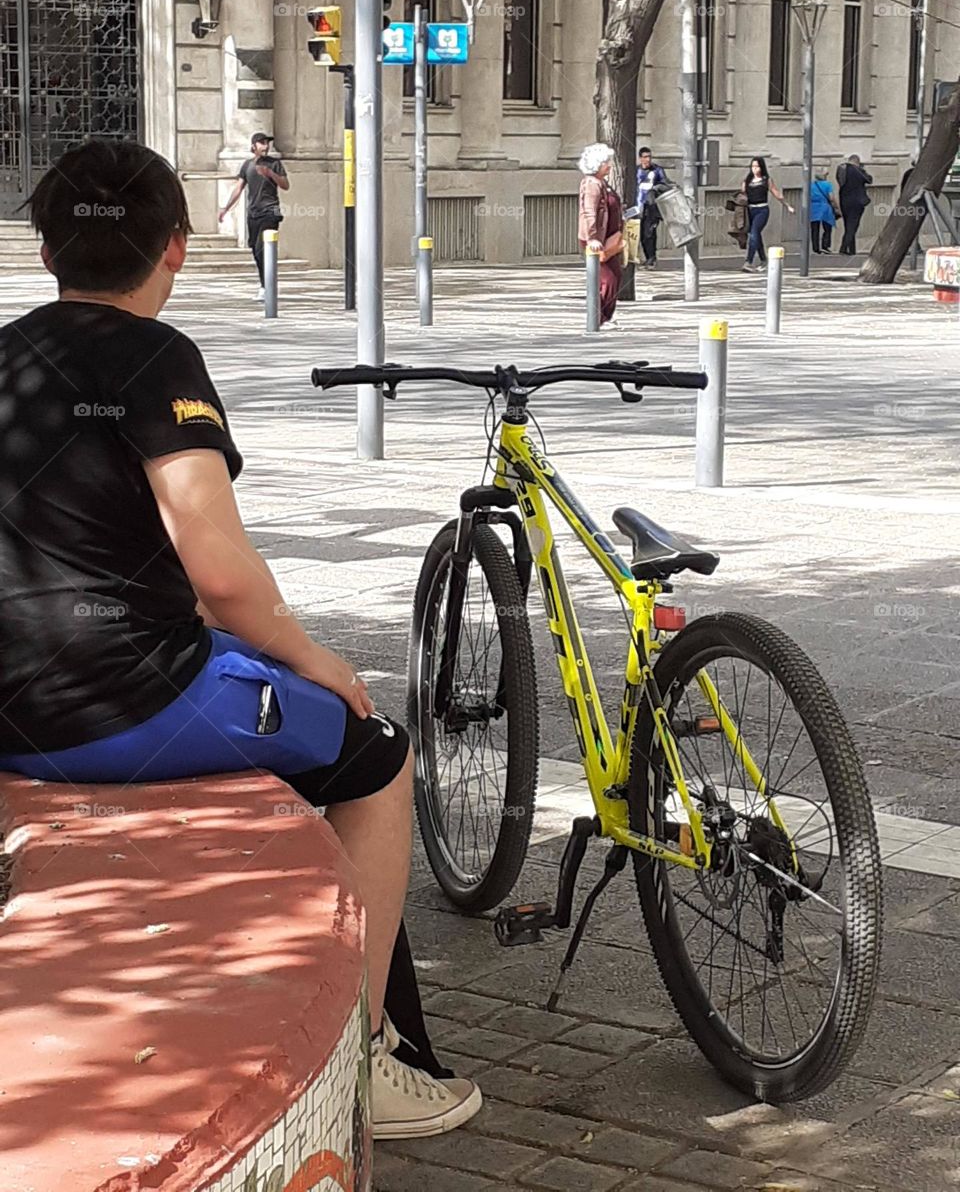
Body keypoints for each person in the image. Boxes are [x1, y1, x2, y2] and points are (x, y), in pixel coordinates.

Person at [1, 139, 481, 1141]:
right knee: (376, 754)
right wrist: (318, 658)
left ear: (46, 251)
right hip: (121, 706)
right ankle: (364, 1052)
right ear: (175, 248)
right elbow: (220, 579)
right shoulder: (155, 358)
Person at [219, 131, 289, 300]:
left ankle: (268, 287)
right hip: (253, 213)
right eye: (262, 143)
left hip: (270, 211)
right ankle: (265, 284)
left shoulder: (275, 164)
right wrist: (225, 208)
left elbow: (286, 185)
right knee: (256, 250)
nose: (266, 146)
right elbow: (238, 188)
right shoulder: (247, 165)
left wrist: (271, 174)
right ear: (253, 146)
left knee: (262, 247)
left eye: (267, 143)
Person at [578, 142, 624, 328]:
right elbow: (588, 212)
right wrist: (593, 238)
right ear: (597, 164)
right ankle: (598, 318)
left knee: (614, 276)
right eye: (606, 162)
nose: (610, 165)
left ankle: (603, 317)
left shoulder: (603, 183)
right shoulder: (591, 184)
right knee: (608, 279)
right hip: (598, 241)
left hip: (609, 238)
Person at [741, 156, 795, 272]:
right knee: (756, 235)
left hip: (762, 210)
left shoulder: (766, 180)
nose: (754, 169)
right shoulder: (747, 180)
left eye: (757, 166)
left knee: (754, 233)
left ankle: (748, 261)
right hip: (750, 210)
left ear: (762, 167)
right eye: (753, 166)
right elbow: (743, 195)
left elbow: (777, 193)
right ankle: (763, 260)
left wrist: (787, 205)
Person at [636, 146, 667, 268]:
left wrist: (654, 188)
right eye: (644, 157)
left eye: (649, 156)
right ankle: (645, 257)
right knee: (640, 234)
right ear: (640, 158)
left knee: (649, 233)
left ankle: (651, 258)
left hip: (652, 207)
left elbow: (665, 184)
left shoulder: (657, 170)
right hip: (639, 206)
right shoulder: (636, 170)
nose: (647, 159)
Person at [836, 154, 873, 255]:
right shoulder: (858, 170)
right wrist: (863, 170)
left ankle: (852, 250)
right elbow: (869, 180)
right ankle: (843, 248)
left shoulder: (841, 169)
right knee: (853, 226)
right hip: (857, 201)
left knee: (848, 225)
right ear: (857, 161)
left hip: (844, 200)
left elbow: (840, 181)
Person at [809, 165, 841, 254]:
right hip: (825, 207)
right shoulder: (828, 185)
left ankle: (815, 247)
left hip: (813, 207)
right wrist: (837, 208)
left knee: (814, 228)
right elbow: (831, 198)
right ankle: (825, 245)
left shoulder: (811, 185)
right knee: (827, 228)